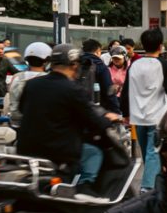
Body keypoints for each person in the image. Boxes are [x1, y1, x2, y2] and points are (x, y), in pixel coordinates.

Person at [16, 47, 116, 189]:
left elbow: (22, 109)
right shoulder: (73, 89)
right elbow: (95, 122)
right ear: (74, 64)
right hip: (59, 152)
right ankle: (84, 189)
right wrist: (108, 119)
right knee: (94, 152)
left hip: (27, 150)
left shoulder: (32, 84)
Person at [126, 28, 167, 191]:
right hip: (157, 117)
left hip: (137, 117)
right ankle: (148, 187)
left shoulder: (134, 65)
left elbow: (126, 90)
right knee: (153, 152)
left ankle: (156, 185)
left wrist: (125, 113)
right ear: (160, 46)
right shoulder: (163, 65)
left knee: (149, 154)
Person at [2, 41, 52, 124]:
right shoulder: (48, 79)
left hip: (16, 121)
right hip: (39, 123)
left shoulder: (17, 77)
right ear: (46, 61)